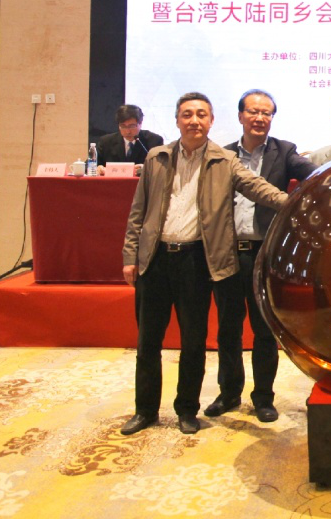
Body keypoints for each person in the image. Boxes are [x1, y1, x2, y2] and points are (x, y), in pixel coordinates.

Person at [120, 92, 288, 436]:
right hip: (154, 260)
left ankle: (186, 410)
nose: (194, 120)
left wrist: (298, 202)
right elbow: (138, 211)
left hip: (195, 262)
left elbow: (260, 189)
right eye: (187, 114)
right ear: (177, 120)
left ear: (211, 121)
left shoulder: (225, 161)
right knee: (147, 342)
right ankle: (145, 411)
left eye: (201, 115)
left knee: (193, 342)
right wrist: (130, 256)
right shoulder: (156, 157)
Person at [207, 89, 317, 423]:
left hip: (264, 254)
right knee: (228, 329)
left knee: (264, 329)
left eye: (266, 113)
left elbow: (315, 174)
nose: (259, 118)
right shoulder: (223, 155)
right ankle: (228, 393)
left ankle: (263, 398)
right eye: (253, 112)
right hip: (229, 252)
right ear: (240, 116)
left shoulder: (284, 151)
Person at [96, 104, 164, 167]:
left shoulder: (154, 141)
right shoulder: (106, 142)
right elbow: (94, 165)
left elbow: (160, 167)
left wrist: (145, 168)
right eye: (123, 126)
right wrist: (99, 168)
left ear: (140, 123)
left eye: (132, 126)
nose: (127, 131)